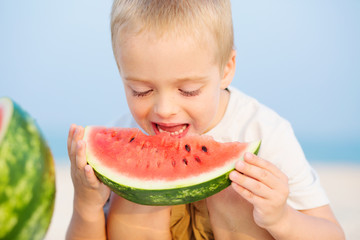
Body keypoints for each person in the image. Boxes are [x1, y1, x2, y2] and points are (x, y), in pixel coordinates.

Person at [66, 0, 345, 239]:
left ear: (226, 70)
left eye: (188, 90)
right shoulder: (127, 132)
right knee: (133, 199)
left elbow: (333, 234)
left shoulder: (263, 130)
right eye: (142, 91)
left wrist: (281, 218)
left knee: (238, 188)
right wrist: (86, 205)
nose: (164, 109)